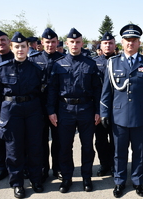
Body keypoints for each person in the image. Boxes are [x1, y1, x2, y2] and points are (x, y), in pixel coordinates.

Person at [100, 24, 143, 198]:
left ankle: (137, 181)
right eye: (127, 40)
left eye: (134, 40)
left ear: (139, 42)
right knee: (119, 152)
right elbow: (106, 91)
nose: (130, 43)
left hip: (140, 116)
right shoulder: (113, 63)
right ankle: (119, 182)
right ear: (122, 41)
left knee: (139, 152)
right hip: (118, 115)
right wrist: (104, 112)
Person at [47, 28, 101, 193]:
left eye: (78, 42)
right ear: (67, 43)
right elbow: (52, 90)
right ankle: (67, 178)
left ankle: (86, 178)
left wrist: (98, 110)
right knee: (64, 146)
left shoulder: (91, 64)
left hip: (86, 108)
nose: (75, 45)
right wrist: (51, 110)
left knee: (87, 146)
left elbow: (97, 90)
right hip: (65, 109)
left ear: (82, 43)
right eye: (72, 42)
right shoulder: (58, 64)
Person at [0, 32, 44, 198]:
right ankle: (17, 183)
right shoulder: (2, 69)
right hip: (11, 110)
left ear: (28, 47)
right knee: (13, 149)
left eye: (23, 46)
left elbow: (42, 93)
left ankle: (36, 179)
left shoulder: (36, 69)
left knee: (35, 146)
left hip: (32, 109)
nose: (20, 49)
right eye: (17, 46)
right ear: (11, 47)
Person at [29, 28, 65, 183]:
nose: (50, 45)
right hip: (39, 107)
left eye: (53, 42)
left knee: (58, 140)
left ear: (57, 42)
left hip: (58, 106)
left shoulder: (63, 59)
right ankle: (43, 170)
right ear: (41, 43)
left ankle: (58, 169)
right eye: (47, 42)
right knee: (40, 141)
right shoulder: (34, 59)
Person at [93, 32, 116, 177]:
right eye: (105, 43)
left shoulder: (120, 61)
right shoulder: (94, 62)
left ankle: (115, 165)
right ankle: (104, 164)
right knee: (100, 140)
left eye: (110, 43)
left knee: (116, 140)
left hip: (116, 107)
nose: (108, 45)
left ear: (115, 45)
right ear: (101, 45)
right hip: (99, 107)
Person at [0, 28, 14, 182]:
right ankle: (2, 168)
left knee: (17, 138)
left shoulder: (18, 57)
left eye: (3, 40)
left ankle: (21, 166)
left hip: (12, 106)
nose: (0, 43)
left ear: (9, 42)